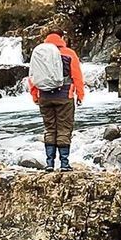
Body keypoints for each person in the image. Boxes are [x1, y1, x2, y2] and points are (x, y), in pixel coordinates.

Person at [28, 32, 85, 171]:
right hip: (65, 96)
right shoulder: (69, 53)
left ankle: (49, 164)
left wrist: (35, 95)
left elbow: (32, 77)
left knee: (49, 129)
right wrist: (80, 95)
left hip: (45, 97)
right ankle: (64, 164)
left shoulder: (39, 54)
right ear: (62, 39)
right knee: (64, 129)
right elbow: (77, 76)